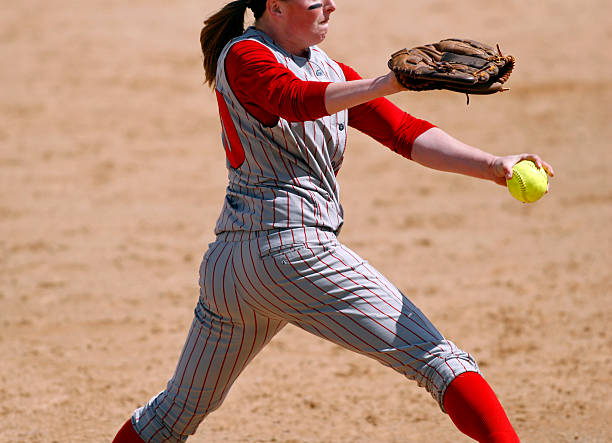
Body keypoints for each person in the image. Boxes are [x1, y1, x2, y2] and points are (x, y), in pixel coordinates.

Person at [113, 1, 554, 442]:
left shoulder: (331, 71)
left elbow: (402, 132)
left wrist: (494, 164)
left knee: (172, 415)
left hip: (233, 271)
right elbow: (294, 99)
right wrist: (385, 83)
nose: (330, 5)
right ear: (276, 8)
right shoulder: (244, 55)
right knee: (440, 360)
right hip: (293, 253)